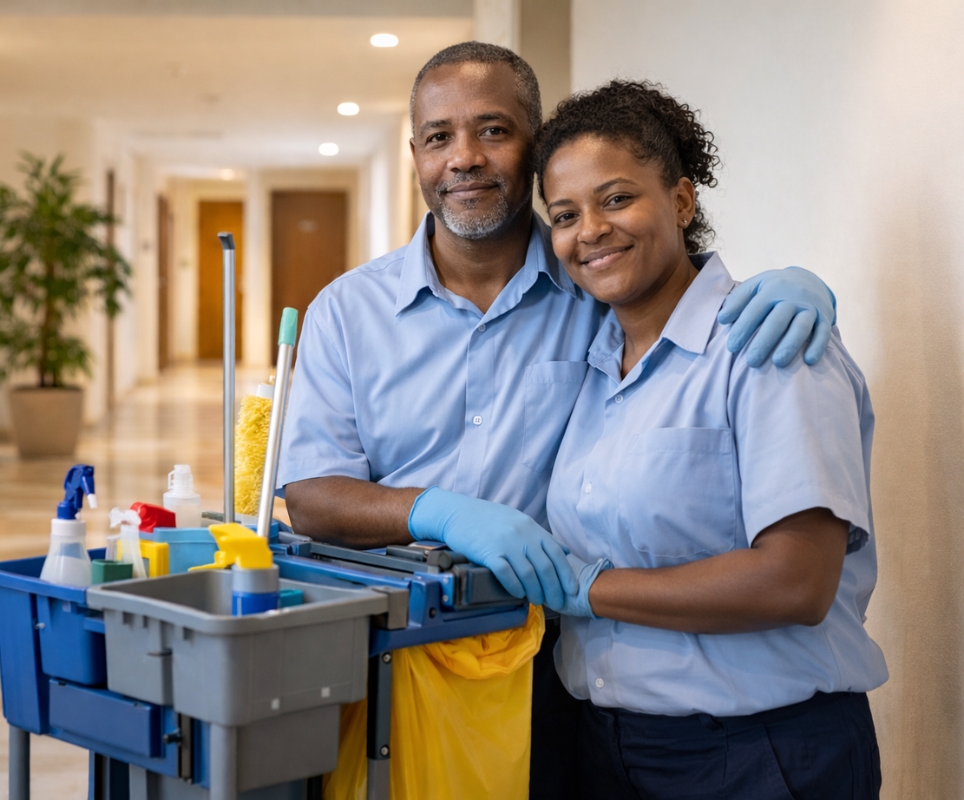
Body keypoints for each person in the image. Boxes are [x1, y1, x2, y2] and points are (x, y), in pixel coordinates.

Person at [280, 41, 839, 797]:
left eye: (494, 130)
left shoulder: (597, 288)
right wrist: (437, 513)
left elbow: (686, 297)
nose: (465, 157)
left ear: (532, 144)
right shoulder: (348, 312)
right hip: (400, 655)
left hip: (556, 669)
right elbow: (312, 494)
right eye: (440, 136)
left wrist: (795, 284)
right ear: (416, 153)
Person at [537, 80, 886, 799]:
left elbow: (796, 581)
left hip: (762, 755)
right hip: (608, 747)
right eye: (565, 214)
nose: (590, 230)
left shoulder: (769, 347)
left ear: (683, 201)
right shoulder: (594, 366)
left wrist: (590, 589)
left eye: (616, 198)